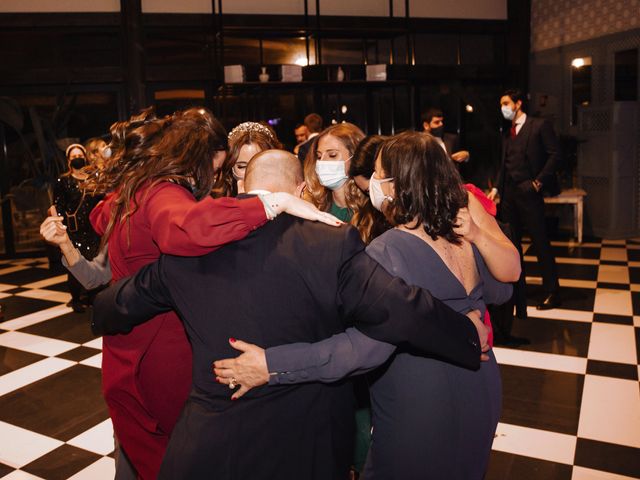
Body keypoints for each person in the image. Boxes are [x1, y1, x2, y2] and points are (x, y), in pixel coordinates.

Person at [92, 148, 489, 480]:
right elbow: (401, 308)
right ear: (300, 190)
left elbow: (116, 305)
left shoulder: (188, 251)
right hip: (306, 446)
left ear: (243, 188)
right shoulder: (330, 244)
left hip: (209, 448)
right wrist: (466, 334)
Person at [216, 134, 510, 479]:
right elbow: (501, 292)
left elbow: (362, 350)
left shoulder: (387, 250)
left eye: (379, 173)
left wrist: (272, 365)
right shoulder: (462, 232)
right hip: (482, 388)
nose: (372, 182)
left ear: (398, 184)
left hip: (423, 403)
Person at [87, 107, 342, 480]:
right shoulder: (164, 193)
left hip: (125, 354)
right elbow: (188, 228)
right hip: (159, 356)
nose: (216, 179)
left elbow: (100, 215)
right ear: (197, 159)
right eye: (220, 167)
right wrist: (272, 202)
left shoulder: (137, 187)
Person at [488, 88, 561, 310]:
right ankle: (519, 291)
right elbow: (504, 164)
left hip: (529, 192)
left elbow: (555, 154)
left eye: (506, 102)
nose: (503, 107)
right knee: (513, 245)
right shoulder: (507, 132)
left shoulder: (539, 125)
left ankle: (552, 291)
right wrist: (497, 190)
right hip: (509, 195)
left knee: (540, 243)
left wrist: (538, 182)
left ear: (518, 103)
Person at [53, 143, 103, 312]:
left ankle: (92, 296)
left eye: (79, 155)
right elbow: (58, 206)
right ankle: (76, 298)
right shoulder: (63, 181)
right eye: (73, 157)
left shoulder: (94, 177)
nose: (77, 159)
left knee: (94, 261)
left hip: (93, 228)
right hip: (74, 231)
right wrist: (60, 230)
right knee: (74, 263)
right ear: (69, 160)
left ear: (85, 156)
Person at [213, 121, 282, 197]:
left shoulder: (288, 201)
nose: (250, 174)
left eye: (259, 166)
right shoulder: (217, 203)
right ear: (231, 167)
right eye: (242, 167)